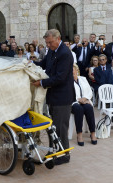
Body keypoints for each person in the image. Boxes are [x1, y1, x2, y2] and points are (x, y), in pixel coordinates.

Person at [33, 29, 74, 165]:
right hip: (53, 95)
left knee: (61, 126)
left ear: (58, 39)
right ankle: (56, 150)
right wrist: (31, 64)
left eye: (50, 42)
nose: (48, 45)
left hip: (62, 97)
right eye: (47, 43)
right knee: (55, 126)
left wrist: (42, 83)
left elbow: (60, 78)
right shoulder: (52, 50)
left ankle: (64, 155)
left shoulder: (65, 53)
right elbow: (44, 64)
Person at [71, 65, 96, 146]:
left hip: (85, 100)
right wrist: (79, 100)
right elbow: (68, 94)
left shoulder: (83, 79)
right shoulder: (67, 81)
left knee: (89, 108)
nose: (71, 71)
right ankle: (79, 134)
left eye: (72, 69)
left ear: (77, 70)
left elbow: (89, 91)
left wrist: (85, 99)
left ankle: (92, 133)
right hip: (74, 102)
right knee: (79, 109)